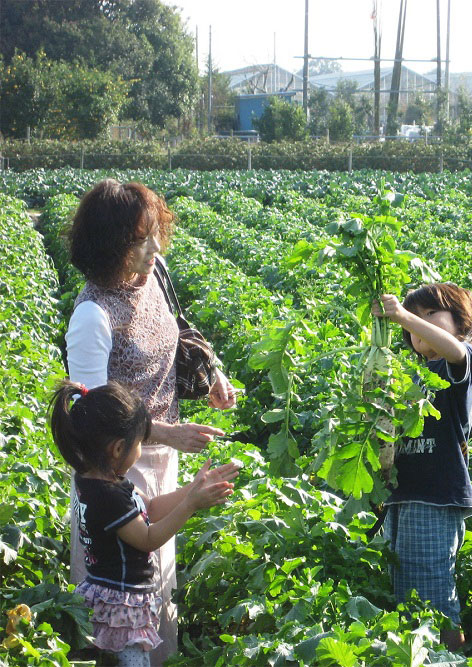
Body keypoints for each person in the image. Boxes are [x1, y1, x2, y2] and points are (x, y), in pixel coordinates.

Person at [65, 179, 237, 664]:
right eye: (139, 239)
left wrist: (213, 374)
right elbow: (93, 416)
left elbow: (177, 327)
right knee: (120, 585)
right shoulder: (92, 317)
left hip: (158, 454)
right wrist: (166, 433)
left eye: (154, 233)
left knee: (156, 580)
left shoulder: (154, 272)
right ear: (107, 246)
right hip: (117, 465)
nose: (154, 247)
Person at [49, 380, 239, 667]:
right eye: (139, 443)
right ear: (117, 449)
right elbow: (148, 538)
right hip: (118, 607)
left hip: (112, 598)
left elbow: (150, 507)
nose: (139, 450)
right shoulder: (108, 497)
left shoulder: (97, 477)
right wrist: (191, 504)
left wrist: (194, 487)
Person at [371, 283, 472, 652]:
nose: (417, 327)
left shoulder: (461, 363)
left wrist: (401, 315)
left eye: (430, 315)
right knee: (406, 586)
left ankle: (449, 657)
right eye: (412, 324)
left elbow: (455, 351)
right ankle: (419, 655)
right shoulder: (410, 377)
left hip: (435, 496)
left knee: (432, 591)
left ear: (462, 322)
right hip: (403, 494)